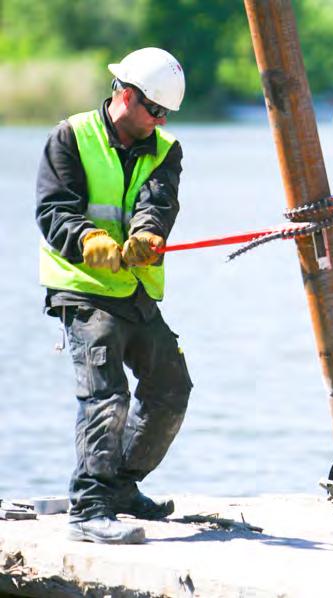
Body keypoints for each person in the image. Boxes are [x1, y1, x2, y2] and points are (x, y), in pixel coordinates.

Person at [36, 47, 193, 544]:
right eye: (154, 109)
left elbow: (158, 202)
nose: (160, 120)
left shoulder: (166, 150)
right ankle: (89, 506)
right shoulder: (70, 137)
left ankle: (121, 486)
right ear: (125, 96)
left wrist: (148, 235)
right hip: (82, 291)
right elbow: (54, 208)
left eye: (166, 113)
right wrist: (87, 240)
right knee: (107, 395)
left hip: (136, 291)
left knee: (171, 388)